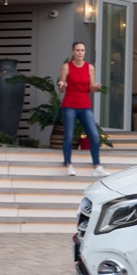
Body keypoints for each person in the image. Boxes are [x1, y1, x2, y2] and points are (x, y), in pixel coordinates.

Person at [57, 41, 109, 177]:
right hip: (69, 105)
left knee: (95, 136)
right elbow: (62, 88)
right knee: (68, 136)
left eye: (82, 50)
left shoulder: (89, 68)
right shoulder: (66, 67)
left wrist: (95, 87)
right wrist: (62, 85)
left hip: (85, 106)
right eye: (78, 50)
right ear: (73, 52)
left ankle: (97, 166)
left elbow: (90, 89)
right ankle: (68, 165)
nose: (80, 53)